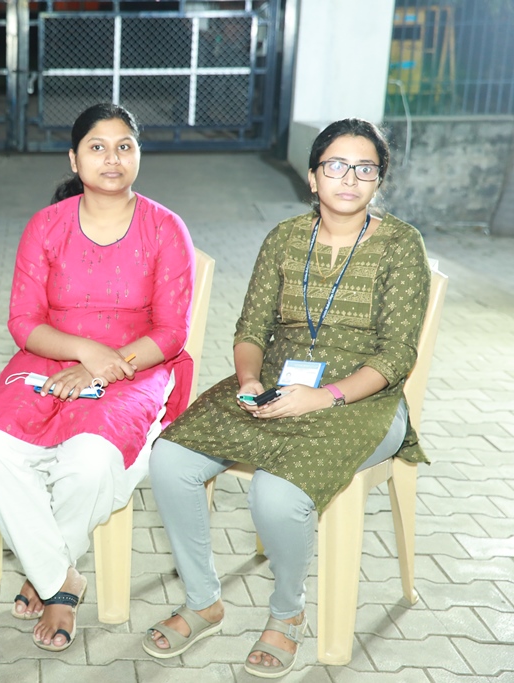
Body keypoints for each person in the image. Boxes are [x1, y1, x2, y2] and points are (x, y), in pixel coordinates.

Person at [144, 118, 431, 678]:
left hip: (364, 400)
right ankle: (203, 601)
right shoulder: (284, 238)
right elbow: (251, 328)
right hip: (276, 383)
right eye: (336, 165)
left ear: (379, 180)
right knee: (171, 458)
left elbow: (397, 355)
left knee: (275, 494)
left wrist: (324, 397)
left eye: (365, 168)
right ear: (312, 176)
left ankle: (287, 613)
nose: (349, 178)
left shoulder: (401, 245)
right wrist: (250, 380)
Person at [0, 103, 197, 652]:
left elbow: (172, 331)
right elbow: (23, 322)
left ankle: (46, 576)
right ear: (75, 160)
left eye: (125, 146)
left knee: (91, 459)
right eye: (97, 147)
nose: (112, 158)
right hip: (51, 356)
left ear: (138, 156)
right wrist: (84, 352)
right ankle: (61, 577)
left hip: (135, 365)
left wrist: (108, 360)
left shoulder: (165, 228)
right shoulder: (46, 225)